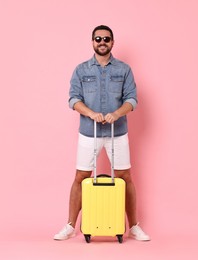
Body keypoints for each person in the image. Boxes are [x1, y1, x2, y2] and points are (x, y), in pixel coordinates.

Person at [54, 25, 150, 241]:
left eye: (106, 39)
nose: (102, 42)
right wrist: (90, 113)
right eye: (98, 39)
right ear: (92, 42)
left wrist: (117, 113)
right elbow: (73, 99)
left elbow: (132, 99)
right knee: (81, 176)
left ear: (112, 42)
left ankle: (134, 225)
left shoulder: (124, 69)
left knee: (125, 177)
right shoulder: (81, 70)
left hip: (118, 132)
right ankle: (70, 225)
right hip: (90, 132)